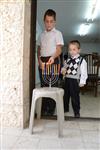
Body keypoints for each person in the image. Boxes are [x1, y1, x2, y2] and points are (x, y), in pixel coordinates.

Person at [37, 9, 64, 115]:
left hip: (53, 60)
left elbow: (59, 49)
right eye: (47, 21)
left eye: (51, 21)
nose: (49, 24)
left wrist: (52, 57)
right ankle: (44, 109)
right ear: (44, 21)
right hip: (43, 61)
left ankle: (51, 110)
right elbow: (38, 49)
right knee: (44, 85)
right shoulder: (41, 35)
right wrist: (39, 60)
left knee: (53, 85)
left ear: (54, 22)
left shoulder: (58, 33)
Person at [61, 40, 88, 118]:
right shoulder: (68, 60)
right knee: (66, 95)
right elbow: (64, 68)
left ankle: (76, 111)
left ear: (79, 50)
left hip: (75, 81)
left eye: (74, 49)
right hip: (67, 79)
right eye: (70, 50)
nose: (71, 51)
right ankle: (65, 108)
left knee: (75, 96)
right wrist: (62, 70)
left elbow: (84, 72)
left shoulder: (82, 60)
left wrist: (82, 81)